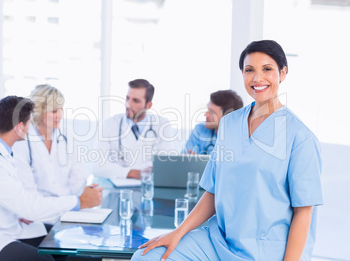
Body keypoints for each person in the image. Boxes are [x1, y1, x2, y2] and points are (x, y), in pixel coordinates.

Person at [131, 40, 323, 260]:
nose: (257, 78)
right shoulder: (230, 124)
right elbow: (213, 191)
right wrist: (178, 232)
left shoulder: (300, 137)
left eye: (267, 69)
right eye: (249, 70)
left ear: (283, 73)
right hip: (217, 239)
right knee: (146, 257)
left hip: (264, 250)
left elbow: (304, 211)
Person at [0, 96, 95, 261]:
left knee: (73, 249)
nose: (31, 127)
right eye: (29, 122)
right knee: (45, 260)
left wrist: (19, 208)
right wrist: (78, 201)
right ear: (20, 127)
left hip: (7, 224)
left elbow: (14, 197)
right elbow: (30, 206)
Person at [13, 84, 102, 224]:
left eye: (61, 109)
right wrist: (73, 202)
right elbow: (29, 195)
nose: (59, 115)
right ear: (38, 111)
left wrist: (79, 199)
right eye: (54, 111)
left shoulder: (68, 134)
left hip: (69, 214)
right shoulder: (22, 141)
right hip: (39, 220)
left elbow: (78, 179)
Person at [93, 79, 174, 179]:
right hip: (117, 192)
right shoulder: (110, 124)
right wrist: (132, 172)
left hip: (148, 190)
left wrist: (116, 170)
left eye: (135, 101)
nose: (128, 104)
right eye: (127, 98)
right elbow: (97, 167)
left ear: (148, 105)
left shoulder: (162, 125)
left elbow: (164, 166)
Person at [183, 90, 243, 155]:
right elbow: (185, 159)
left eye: (212, 112)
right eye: (207, 109)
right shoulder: (200, 129)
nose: (206, 115)